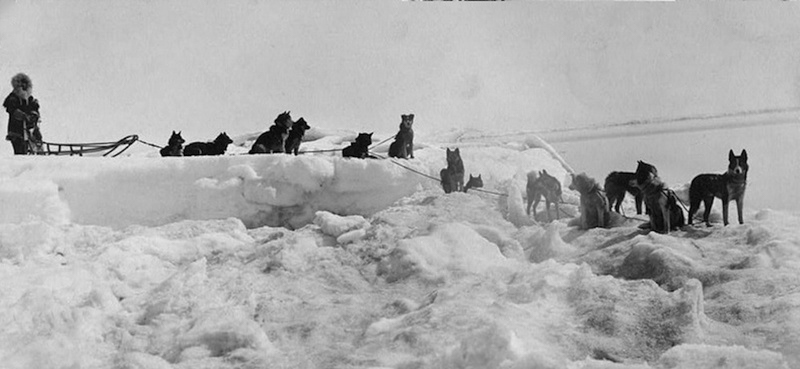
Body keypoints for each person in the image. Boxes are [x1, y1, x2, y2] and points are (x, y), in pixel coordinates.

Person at [4, 73, 41, 155]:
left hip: (28, 130)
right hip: (16, 131)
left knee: (28, 150)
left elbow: (34, 108)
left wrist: (34, 114)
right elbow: (12, 110)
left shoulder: (29, 99)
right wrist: (25, 116)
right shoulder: (13, 98)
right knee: (20, 152)